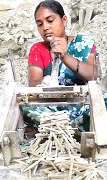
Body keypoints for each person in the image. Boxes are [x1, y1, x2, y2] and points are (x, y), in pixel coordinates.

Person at [25, 0, 106, 133]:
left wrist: (65, 56)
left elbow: (94, 76)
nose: (45, 27)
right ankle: (70, 130)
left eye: (50, 20)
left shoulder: (83, 43)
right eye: (40, 24)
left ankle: (62, 130)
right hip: (52, 110)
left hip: (83, 106)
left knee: (104, 101)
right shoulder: (37, 49)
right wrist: (47, 84)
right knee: (27, 109)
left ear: (64, 20)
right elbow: (33, 88)